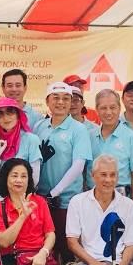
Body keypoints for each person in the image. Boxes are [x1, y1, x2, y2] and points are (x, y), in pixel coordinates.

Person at [34, 82, 93, 250]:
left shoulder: (78, 130)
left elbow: (78, 165)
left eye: (66, 98)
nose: (61, 102)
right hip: (41, 200)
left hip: (67, 201)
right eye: (56, 98)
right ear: (47, 101)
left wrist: (55, 192)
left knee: (66, 248)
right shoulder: (39, 127)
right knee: (43, 248)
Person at [87, 89, 133, 199]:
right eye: (103, 108)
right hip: (92, 198)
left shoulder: (132, 138)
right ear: (97, 110)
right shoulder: (89, 137)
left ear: (119, 108)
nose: (108, 112)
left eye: (113, 107)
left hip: (121, 197)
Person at [0, 97, 43, 191]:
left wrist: (16, 197)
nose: (5, 118)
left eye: (10, 111)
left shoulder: (31, 140)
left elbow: (34, 179)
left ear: (18, 115)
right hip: (1, 199)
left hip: (23, 199)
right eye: (0, 114)